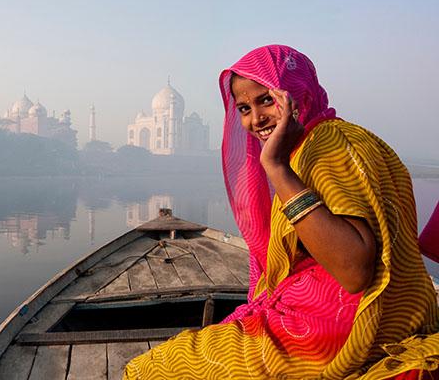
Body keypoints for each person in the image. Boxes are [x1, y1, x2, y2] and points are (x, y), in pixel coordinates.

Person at [123, 45, 439, 379]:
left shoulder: (327, 147)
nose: (255, 119)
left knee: (149, 368)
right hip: (372, 309)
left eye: (266, 100)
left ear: (298, 94)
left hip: (337, 325)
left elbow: (354, 271)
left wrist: (275, 168)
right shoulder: (329, 139)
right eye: (244, 107)